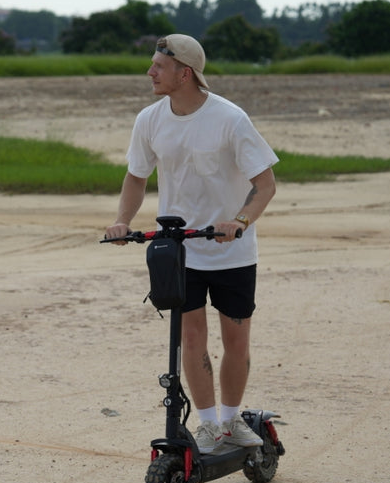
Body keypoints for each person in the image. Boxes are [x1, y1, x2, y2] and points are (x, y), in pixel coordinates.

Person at [105, 34, 278, 455]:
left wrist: (239, 222)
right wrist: (122, 221)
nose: (150, 73)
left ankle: (232, 419)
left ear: (185, 73)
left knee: (236, 341)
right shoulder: (149, 119)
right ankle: (206, 426)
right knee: (191, 339)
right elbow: (136, 176)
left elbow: (265, 184)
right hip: (181, 249)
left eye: (158, 67)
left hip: (232, 251)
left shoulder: (230, 119)